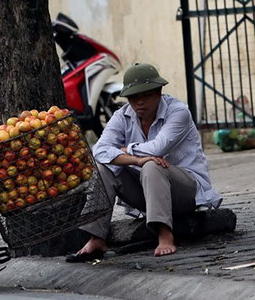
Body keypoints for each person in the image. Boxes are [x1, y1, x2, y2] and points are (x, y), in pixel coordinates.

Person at [66, 63, 222, 261]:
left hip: (186, 191)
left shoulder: (178, 112)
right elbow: (98, 151)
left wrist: (126, 151)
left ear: (159, 92)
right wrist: (136, 161)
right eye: (133, 97)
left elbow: (158, 148)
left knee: (153, 164)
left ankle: (165, 234)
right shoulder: (121, 116)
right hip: (148, 191)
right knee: (105, 167)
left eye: (146, 95)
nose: (140, 102)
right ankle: (97, 238)